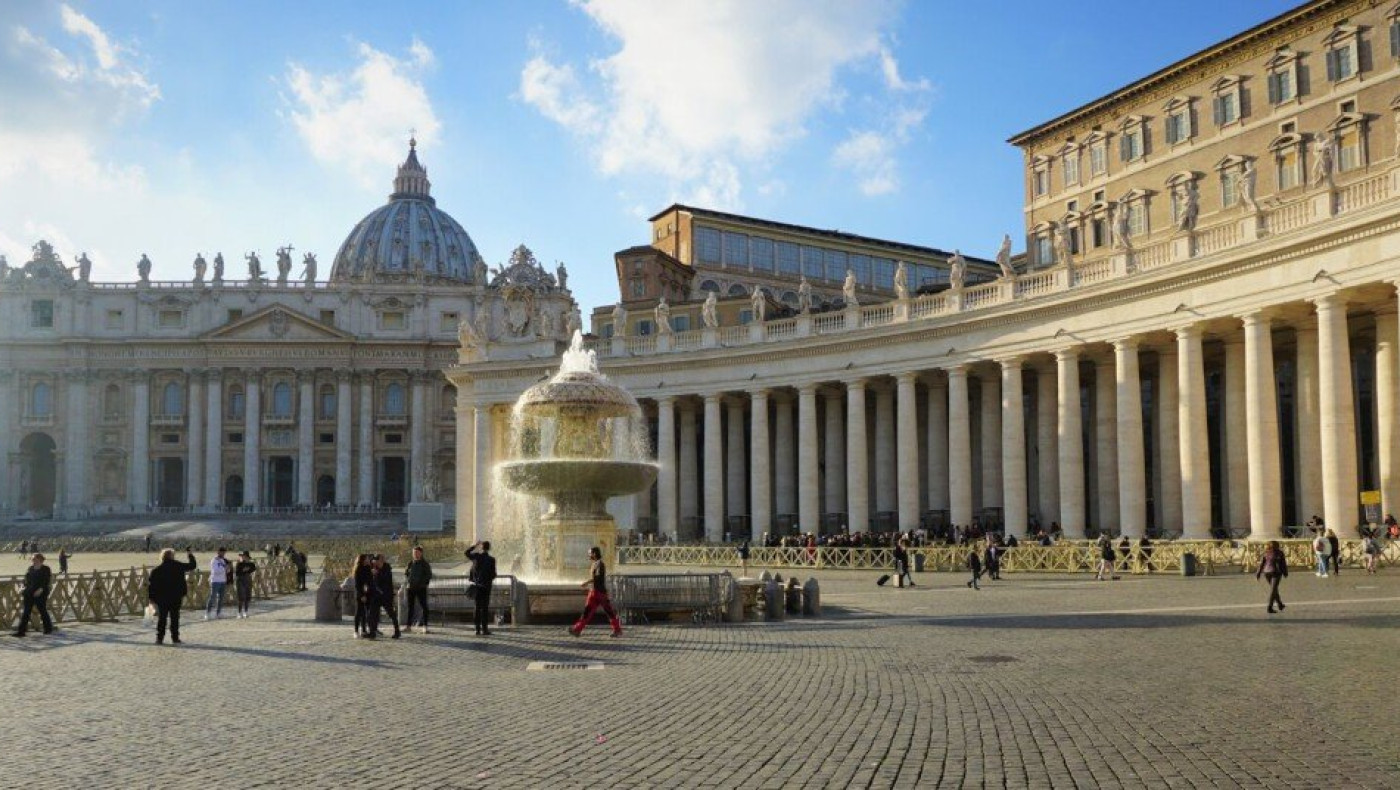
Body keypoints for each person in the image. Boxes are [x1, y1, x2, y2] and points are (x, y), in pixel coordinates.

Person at [147, 548, 197, 645]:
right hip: (176, 596)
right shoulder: (177, 565)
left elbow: (152, 586)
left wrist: (151, 598)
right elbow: (192, 565)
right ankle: (175, 638)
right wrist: (190, 555)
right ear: (172, 556)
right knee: (175, 618)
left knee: (162, 618)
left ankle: (159, 638)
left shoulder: (157, 570)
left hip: (162, 598)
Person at [570, 546, 622, 638]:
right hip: (595, 592)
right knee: (588, 612)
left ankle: (617, 630)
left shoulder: (599, 564)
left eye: (590, 553)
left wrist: (587, 582)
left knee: (608, 611)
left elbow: (597, 578)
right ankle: (577, 629)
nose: (588, 555)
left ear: (594, 553)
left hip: (599, 592)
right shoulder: (595, 563)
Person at [11, 553, 54, 637]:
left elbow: (46, 580)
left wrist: (40, 589)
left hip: (41, 593)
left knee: (42, 610)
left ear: (40, 560)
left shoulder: (45, 568)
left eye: (34, 559)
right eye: (32, 559)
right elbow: (25, 580)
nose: (33, 561)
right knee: (26, 611)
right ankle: (21, 631)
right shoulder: (30, 568)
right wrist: (22, 586)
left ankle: (48, 628)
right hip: (29, 592)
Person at [466, 542, 497, 636]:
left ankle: (477, 629)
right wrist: (488, 580)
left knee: (477, 608)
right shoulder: (492, 559)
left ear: (481, 547)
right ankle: (485, 629)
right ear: (489, 548)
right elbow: (493, 574)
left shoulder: (476, 556)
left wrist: (474, 546)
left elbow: (466, 553)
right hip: (486, 587)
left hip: (477, 586)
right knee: (485, 608)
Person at [368, 554, 401, 639]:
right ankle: (372, 632)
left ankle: (397, 631)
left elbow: (385, 581)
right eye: (374, 561)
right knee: (373, 613)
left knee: (391, 614)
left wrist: (377, 574)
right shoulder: (374, 568)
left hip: (386, 595)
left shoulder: (387, 569)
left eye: (376, 560)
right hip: (376, 595)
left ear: (381, 560)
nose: (374, 562)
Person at [404, 545, 434, 634]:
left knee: (424, 607)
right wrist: (409, 581)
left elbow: (428, 575)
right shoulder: (410, 563)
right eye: (414, 553)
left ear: (421, 553)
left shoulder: (425, 564)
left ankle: (425, 626)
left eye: (417, 553)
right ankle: (408, 626)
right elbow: (406, 573)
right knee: (410, 607)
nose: (415, 554)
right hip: (411, 588)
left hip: (421, 588)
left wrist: (422, 583)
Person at [1256, 540, 1289, 614]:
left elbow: (1261, 564)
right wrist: (1285, 573)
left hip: (1266, 572)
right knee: (1273, 590)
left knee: (1274, 589)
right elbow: (1283, 564)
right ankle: (1269, 607)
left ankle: (1280, 605)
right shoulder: (1280, 553)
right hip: (1276, 572)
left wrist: (1258, 573)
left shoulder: (1266, 552)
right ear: (1277, 546)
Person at [205, 547, 231, 620]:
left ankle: (218, 613)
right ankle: (208, 613)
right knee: (212, 597)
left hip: (223, 580)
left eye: (224, 552)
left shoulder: (223, 560)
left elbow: (227, 571)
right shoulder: (214, 560)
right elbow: (215, 571)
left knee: (221, 598)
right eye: (222, 552)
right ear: (218, 552)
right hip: (215, 581)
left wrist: (228, 568)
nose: (223, 554)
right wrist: (225, 568)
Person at [350, 553, 372, 638]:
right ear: (362, 560)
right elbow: (357, 584)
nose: (368, 560)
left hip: (367, 592)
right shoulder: (358, 569)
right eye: (366, 558)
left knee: (365, 613)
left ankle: (364, 630)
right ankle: (356, 631)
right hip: (360, 593)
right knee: (359, 612)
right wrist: (361, 595)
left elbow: (370, 580)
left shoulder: (368, 568)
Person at [233, 551, 257, 618]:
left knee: (247, 596)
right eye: (241, 556)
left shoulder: (251, 564)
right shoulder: (239, 564)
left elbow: (253, 569)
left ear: (247, 556)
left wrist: (246, 570)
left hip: (248, 580)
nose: (242, 557)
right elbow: (237, 573)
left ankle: (245, 611)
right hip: (240, 580)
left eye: (243, 556)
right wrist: (244, 570)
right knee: (241, 597)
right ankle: (239, 612)